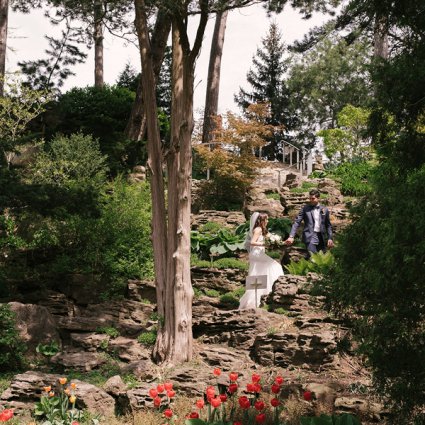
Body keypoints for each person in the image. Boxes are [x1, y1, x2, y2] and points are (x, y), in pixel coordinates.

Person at [239, 212, 284, 310]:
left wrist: (278, 242)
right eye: (266, 219)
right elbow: (252, 242)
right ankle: (269, 291)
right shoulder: (258, 229)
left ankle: (254, 300)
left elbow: (271, 237)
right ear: (261, 220)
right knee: (275, 266)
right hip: (257, 254)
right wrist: (264, 245)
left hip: (258, 254)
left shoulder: (262, 229)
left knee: (258, 274)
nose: (267, 221)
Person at [284, 189, 334, 255]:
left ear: (318, 198)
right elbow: (297, 222)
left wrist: (330, 238)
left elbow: (328, 225)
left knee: (322, 257)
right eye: (310, 198)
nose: (311, 200)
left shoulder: (324, 209)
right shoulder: (305, 209)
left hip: (321, 237)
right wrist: (291, 236)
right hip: (310, 236)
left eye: (313, 198)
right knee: (313, 256)